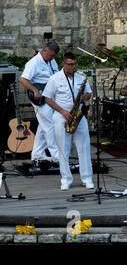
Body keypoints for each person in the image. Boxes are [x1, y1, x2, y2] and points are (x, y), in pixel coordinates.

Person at [42, 52, 93, 191]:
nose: (73, 67)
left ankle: (87, 178)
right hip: (61, 116)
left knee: (84, 147)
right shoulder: (55, 78)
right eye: (70, 64)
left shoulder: (81, 76)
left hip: (78, 115)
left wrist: (85, 97)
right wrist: (63, 111)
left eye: (75, 64)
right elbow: (47, 99)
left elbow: (89, 93)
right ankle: (66, 179)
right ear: (63, 64)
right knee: (63, 149)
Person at [19, 41, 60, 162]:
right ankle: (56, 155)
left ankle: (37, 154)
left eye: (54, 56)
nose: (52, 58)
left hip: (50, 95)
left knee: (43, 127)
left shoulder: (52, 61)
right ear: (45, 51)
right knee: (50, 125)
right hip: (40, 98)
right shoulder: (34, 63)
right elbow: (23, 79)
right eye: (51, 55)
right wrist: (34, 90)